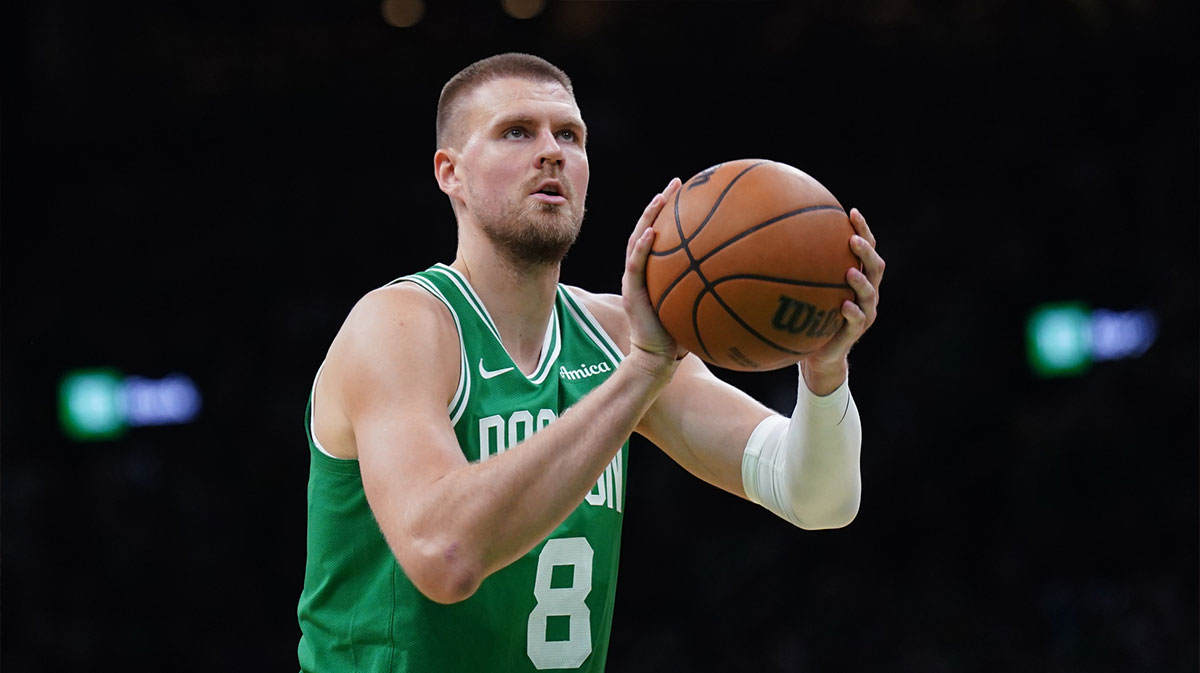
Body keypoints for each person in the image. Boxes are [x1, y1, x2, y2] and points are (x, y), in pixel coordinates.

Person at [296, 52, 885, 672]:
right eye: (516, 131)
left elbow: (818, 500)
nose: (551, 151)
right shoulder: (402, 326)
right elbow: (444, 554)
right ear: (452, 174)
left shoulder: (617, 336)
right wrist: (640, 374)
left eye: (569, 135)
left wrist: (823, 378)